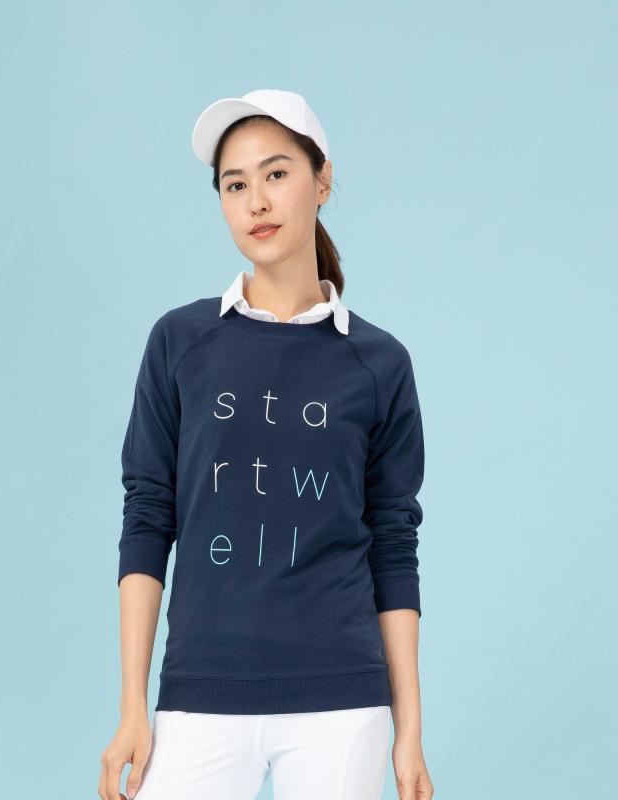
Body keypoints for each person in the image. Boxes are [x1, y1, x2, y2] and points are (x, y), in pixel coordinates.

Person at [99, 89, 434, 800]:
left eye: (277, 174)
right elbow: (148, 517)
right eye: (235, 184)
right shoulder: (181, 342)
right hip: (200, 692)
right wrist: (133, 705)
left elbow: (393, 544)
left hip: (342, 705)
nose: (257, 201)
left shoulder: (378, 363)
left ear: (323, 180)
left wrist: (409, 731)